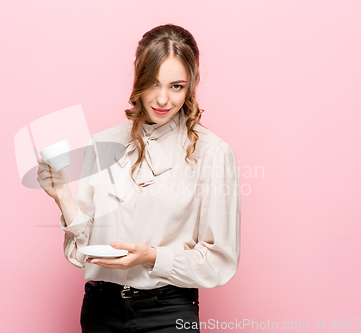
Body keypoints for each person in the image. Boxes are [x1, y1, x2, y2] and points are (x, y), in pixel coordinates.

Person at [37, 24, 241, 333]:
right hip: (100, 310)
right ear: (138, 79)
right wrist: (63, 195)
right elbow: (82, 255)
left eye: (176, 86)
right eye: (153, 83)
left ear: (191, 86)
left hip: (168, 313)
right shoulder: (101, 145)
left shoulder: (213, 153)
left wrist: (153, 257)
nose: (162, 99)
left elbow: (219, 261)